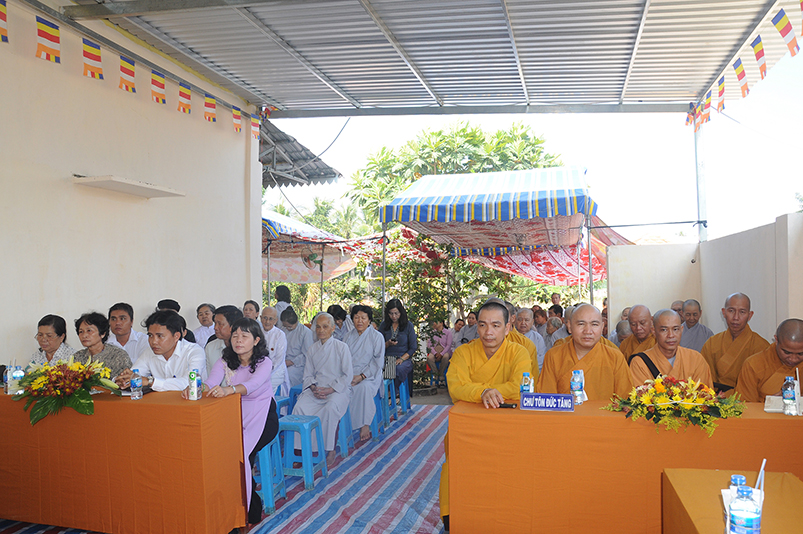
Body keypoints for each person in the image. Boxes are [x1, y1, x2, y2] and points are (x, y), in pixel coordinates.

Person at [439, 301, 531, 530]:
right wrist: (482, 392)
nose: (488, 332)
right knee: (459, 469)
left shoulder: (519, 352)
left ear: (507, 328)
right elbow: (455, 387)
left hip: (508, 425)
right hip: (468, 426)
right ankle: (457, 515)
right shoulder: (463, 352)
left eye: (496, 325)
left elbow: (521, 386)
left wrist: (484, 391)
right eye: (482, 325)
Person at [186, 317, 278, 526]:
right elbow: (211, 382)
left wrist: (229, 389)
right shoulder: (225, 360)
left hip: (263, 415)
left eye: (244, 336)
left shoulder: (264, 362)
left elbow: (253, 385)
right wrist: (196, 388)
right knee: (222, 454)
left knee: (240, 456)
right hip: (233, 414)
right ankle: (231, 506)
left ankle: (248, 510)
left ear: (256, 340)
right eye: (235, 335)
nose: (238, 340)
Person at [292, 313, 353, 465]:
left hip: (336, 390)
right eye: (318, 327)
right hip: (317, 389)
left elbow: (347, 375)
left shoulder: (342, 347)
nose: (321, 330)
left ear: (333, 328)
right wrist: (314, 388)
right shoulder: (312, 349)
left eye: (325, 327)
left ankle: (329, 449)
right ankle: (301, 451)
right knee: (299, 408)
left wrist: (330, 390)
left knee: (330, 408)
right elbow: (307, 375)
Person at [538, 304, 632, 399]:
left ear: (602, 327)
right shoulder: (554, 356)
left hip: (605, 410)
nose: (588, 331)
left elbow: (624, 401)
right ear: (569, 326)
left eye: (594, 324)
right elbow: (546, 400)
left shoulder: (615, 357)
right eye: (581, 324)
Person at [116, 310, 207, 391]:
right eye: (150, 335)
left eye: (160, 336)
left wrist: (150, 381)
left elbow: (189, 382)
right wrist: (124, 380)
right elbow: (135, 374)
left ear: (176, 336)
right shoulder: (149, 352)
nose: (153, 341)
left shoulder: (194, 351)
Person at [701, 293, 769, 392]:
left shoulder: (761, 346)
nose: (736, 317)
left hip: (746, 397)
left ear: (750, 315)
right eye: (731, 311)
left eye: (742, 312)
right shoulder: (712, 343)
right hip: (714, 397)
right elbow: (704, 377)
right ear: (724, 312)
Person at [629, 309, 712, 387]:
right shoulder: (639, 363)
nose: (671, 335)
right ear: (654, 331)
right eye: (664, 330)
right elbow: (641, 395)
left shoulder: (696, 359)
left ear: (681, 330)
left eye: (675, 329)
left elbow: (704, 393)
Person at [736, 319, 803, 402]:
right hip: (762, 410)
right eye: (787, 352)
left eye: (800, 354)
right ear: (776, 340)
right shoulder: (754, 364)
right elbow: (745, 405)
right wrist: (771, 403)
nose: (793, 359)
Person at [344, 305, 384, 441]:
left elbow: (377, 362)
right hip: (350, 374)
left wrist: (361, 376)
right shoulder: (348, 337)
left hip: (370, 375)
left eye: (363, 318)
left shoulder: (377, 337)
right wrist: (348, 376)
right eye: (356, 317)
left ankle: (364, 424)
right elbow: (343, 359)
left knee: (363, 388)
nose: (359, 321)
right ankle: (346, 425)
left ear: (369, 320)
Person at [72, 312, 132, 379]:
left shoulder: (118, 356)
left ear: (103, 333)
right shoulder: (77, 357)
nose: (84, 335)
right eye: (81, 332)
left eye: (89, 330)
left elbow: (126, 380)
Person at [379, 298, 417, 389]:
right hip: (387, 358)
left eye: (396, 313)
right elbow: (378, 345)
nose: (394, 316)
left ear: (401, 312)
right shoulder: (384, 325)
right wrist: (387, 344)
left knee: (398, 369)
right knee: (377, 369)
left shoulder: (408, 325)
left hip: (403, 358)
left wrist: (402, 359)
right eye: (391, 313)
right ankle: (384, 392)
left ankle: (395, 392)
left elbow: (413, 347)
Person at [259, 306, 289, 396]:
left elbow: (279, 359)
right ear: (260, 318)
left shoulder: (280, 335)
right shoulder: (258, 333)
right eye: (265, 318)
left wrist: (266, 371)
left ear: (275, 321)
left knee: (263, 388)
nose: (267, 321)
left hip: (275, 371)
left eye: (271, 319)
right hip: (259, 370)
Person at [205, 305, 244, 372]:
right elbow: (209, 375)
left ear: (233, 326)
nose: (215, 328)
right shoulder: (210, 347)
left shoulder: (246, 348)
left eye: (220, 324)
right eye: (215, 323)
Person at [282, 306, 312, 387]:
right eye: (285, 326)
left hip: (298, 365)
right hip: (283, 362)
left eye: (290, 326)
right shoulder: (282, 330)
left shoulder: (305, 332)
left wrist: (291, 362)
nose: (288, 328)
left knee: (288, 375)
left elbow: (307, 355)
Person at [426, 319, 453, 387]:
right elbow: (429, 345)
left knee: (446, 357)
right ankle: (436, 374)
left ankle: (441, 375)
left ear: (441, 323)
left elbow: (448, 345)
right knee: (429, 358)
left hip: (444, 350)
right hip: (435, 350)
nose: (434, 323)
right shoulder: (432, 332)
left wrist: (441, 354)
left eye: (436, 322)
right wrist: (435, 353)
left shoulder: (448, 332)